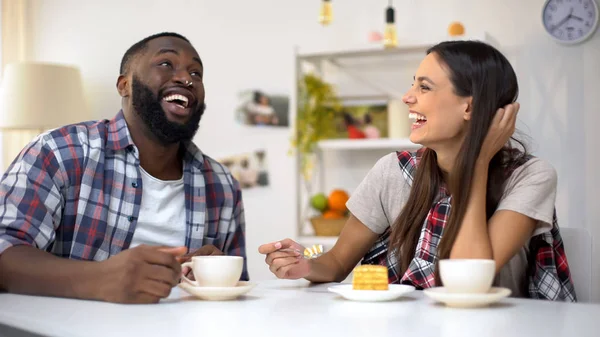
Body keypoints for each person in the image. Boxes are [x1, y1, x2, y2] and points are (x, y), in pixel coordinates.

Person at [259, 40, 576, 301]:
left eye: (424, 87)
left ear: (469, 106)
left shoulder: (531, 176)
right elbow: (338, 262)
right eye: (413, 85)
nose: (407, 97)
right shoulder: (393, 171)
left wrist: (477, 163)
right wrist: (304, 266)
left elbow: (468, 282)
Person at [0, 32, 248, 304]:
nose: (186, 79)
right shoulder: (59, 152)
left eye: (196, 73)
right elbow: (5, 251)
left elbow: (237, 290)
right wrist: (98, 278)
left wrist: (213, 274)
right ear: (124, 85)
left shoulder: (222, 185)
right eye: (166, 64)